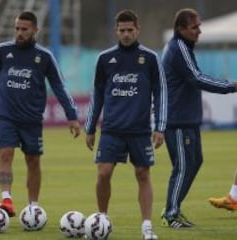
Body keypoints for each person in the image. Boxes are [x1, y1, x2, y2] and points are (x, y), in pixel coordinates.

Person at [0, 11, 80, 217]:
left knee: (33, 160)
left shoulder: (45, 57)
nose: (19, 33)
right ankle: (7, 199)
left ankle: (33, 206)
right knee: (5, 153)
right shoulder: (3, 50)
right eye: (17, 29)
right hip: (5, 115)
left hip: (31, 119)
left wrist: (72, 115)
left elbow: (59, 86)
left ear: (35, 30)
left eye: (24, 29)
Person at [85, 9, 167, 240]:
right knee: (103, 173)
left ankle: (147, 226)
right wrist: (90, 128)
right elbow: (97, 95)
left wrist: (160, 127)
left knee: (142, 173)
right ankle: (102, 220)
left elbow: (161, 93)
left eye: (130, 30)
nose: (127, 34)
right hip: (111, 129)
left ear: (137, 30)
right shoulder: (105, 58)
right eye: (122, 31)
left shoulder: (150, 58)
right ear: (116, 31)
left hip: (140, 130)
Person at [160, 8, 237, 228]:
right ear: (181, 29)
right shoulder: (179, 48)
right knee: (183, 167)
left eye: (199, 26)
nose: (199, 31)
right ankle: (171, 214)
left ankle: (172, 208)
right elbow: (197, 78)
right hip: (177, 120)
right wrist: (231, 86)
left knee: (194, 161)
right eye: (195, 27)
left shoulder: (182, 47)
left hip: (187, 118)